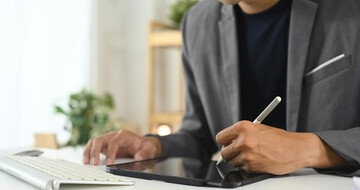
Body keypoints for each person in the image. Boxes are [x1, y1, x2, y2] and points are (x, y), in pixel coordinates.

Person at [83, 0, 360, 176]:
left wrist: (307, 149)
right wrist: (154, 144)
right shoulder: (197, 22)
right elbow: (200, 135)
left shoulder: (349, 10)